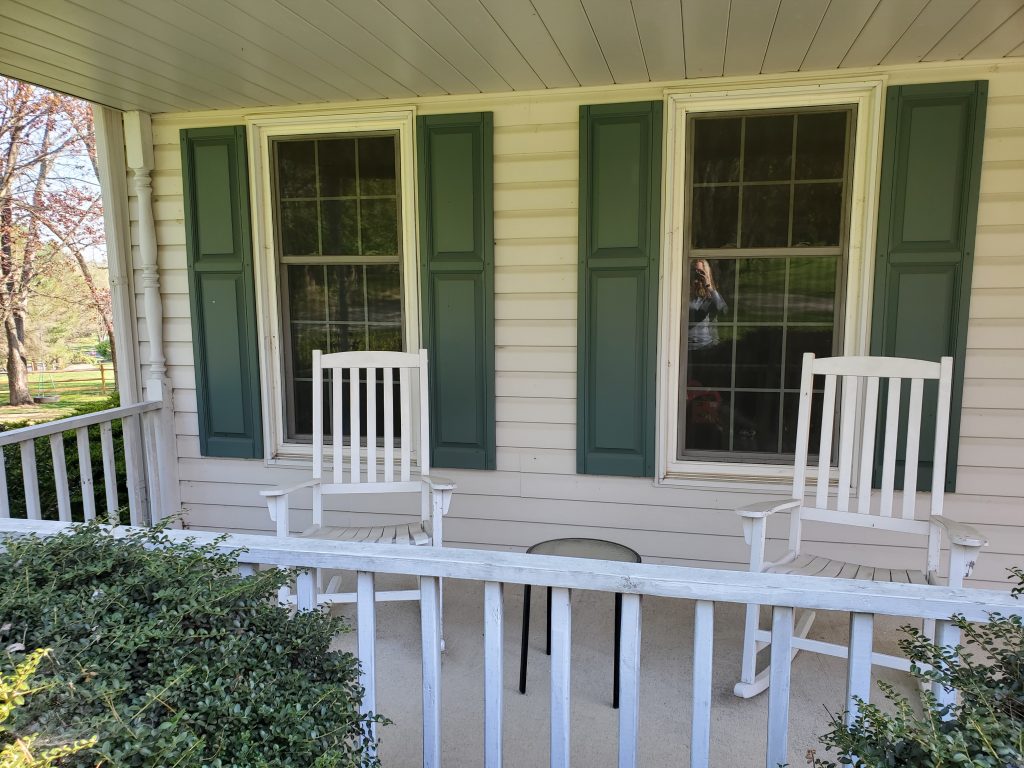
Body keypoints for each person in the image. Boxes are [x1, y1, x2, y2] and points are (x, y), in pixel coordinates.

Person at [687, 258, 728, 351]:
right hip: (685, 347)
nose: (698, 276)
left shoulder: (711, 296)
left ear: (707, 273)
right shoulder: (684, 293)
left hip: (705, 346)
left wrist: (709, 286)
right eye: (694, 272)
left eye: (701, 272)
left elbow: (724, 311)